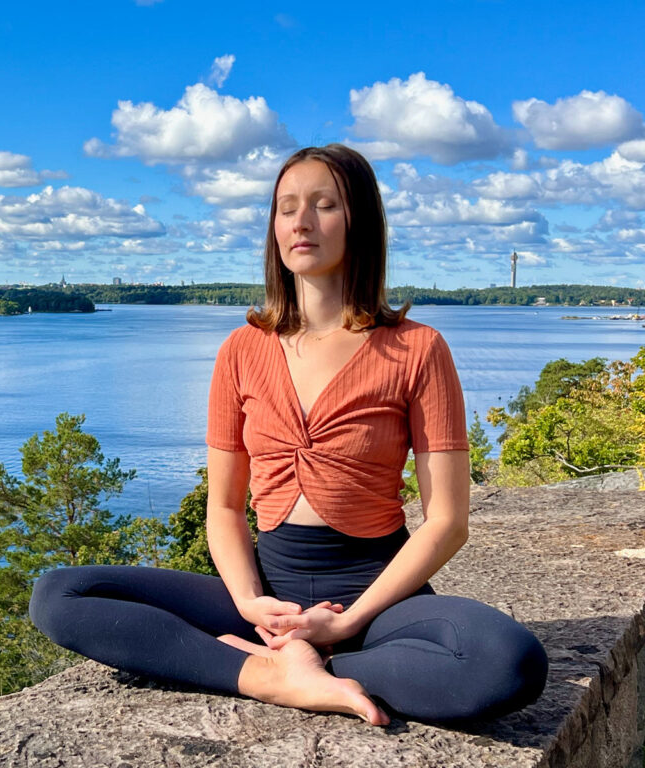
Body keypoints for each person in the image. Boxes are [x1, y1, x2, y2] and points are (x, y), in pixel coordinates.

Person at [29, 144, 548, 725]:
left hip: (376, 598)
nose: (300, 222)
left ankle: (324, 663)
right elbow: (224, 509)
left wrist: (347, 623)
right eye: (286, 208)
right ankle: (271, 675)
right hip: (266, 594)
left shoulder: (417, 349)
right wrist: (251, 605)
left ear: (360, 223)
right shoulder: (241, 352)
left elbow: (447, 521)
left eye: (324, 205)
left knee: (509, 662)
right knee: (59, 596)